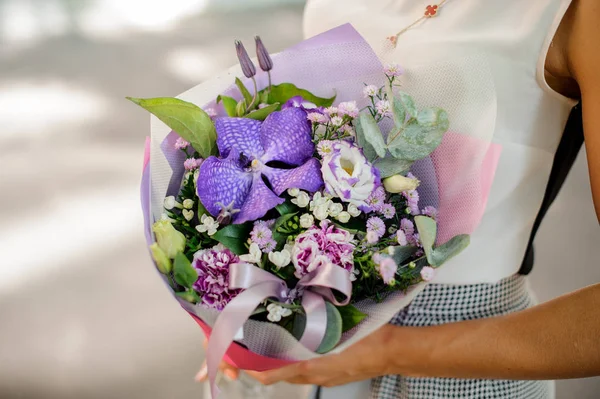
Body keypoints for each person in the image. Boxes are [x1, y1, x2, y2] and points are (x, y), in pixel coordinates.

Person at [197, 0, 600, 397]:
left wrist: (386, 351)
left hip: (473, 372)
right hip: (331, 350)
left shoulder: (575, 14)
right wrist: (247, 307)